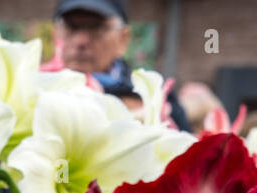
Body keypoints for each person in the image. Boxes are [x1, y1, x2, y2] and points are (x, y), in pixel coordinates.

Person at [51, 0, 192, 132]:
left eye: (96, 28)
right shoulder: (39, 88)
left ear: (123, 39)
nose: (80, 41)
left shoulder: (153, 96)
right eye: (70, 27)